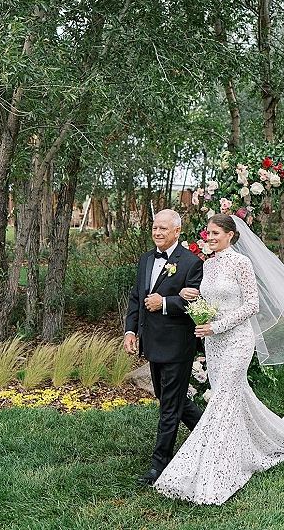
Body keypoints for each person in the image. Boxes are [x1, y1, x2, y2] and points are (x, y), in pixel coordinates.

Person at [153, 213, 284, 506]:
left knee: (222, 399)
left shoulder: (242, 263)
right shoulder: (207, 265)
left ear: (231, 235)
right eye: (208, 233)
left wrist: (216, 325)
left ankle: (218, 467)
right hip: (214, 345)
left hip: (237, 341)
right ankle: (256, 440)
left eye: (216, 233)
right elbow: (211, 301)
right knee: (231, 396)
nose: (210, 237)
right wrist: (193, 299)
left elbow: (252, 305)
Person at [124, 208, 204, 485]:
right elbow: (136, 298)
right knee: (173, 400)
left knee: (169, 407)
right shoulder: (146, 259)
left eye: (163, 229)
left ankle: (160, 464)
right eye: (155, 228)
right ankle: (209, 435)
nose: (157, 233)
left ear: (177, 232)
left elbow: (198, 301)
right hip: (152, 342)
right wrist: (131, 330)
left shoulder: (192, 262)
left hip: (177, 345)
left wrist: (166, 303)